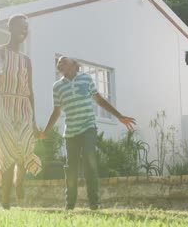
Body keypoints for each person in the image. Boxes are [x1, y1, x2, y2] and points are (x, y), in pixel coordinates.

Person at [42, 56, 136, 210]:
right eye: (58, 62)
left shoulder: (86, 79)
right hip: (71, 131)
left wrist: (119, 116)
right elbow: (56, 111)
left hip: (88, 128)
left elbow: (100, 101)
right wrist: (45, 132)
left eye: (63, 61)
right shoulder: (57, 87)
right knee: (71, 169)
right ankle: (70, 205)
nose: (59, 63)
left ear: (73, 64)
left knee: (89, 162)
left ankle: (94, 203)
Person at [0, 14, 42, 210]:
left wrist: (33, 121)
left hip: (23, 106)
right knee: (9, 150)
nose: (24, 31)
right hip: (3, 105)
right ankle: (6, 201)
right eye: (20, 27)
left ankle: (19, 183)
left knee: (25, 149)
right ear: (11, 28)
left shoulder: (26, 60)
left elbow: (30, 90)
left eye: (26, 28)